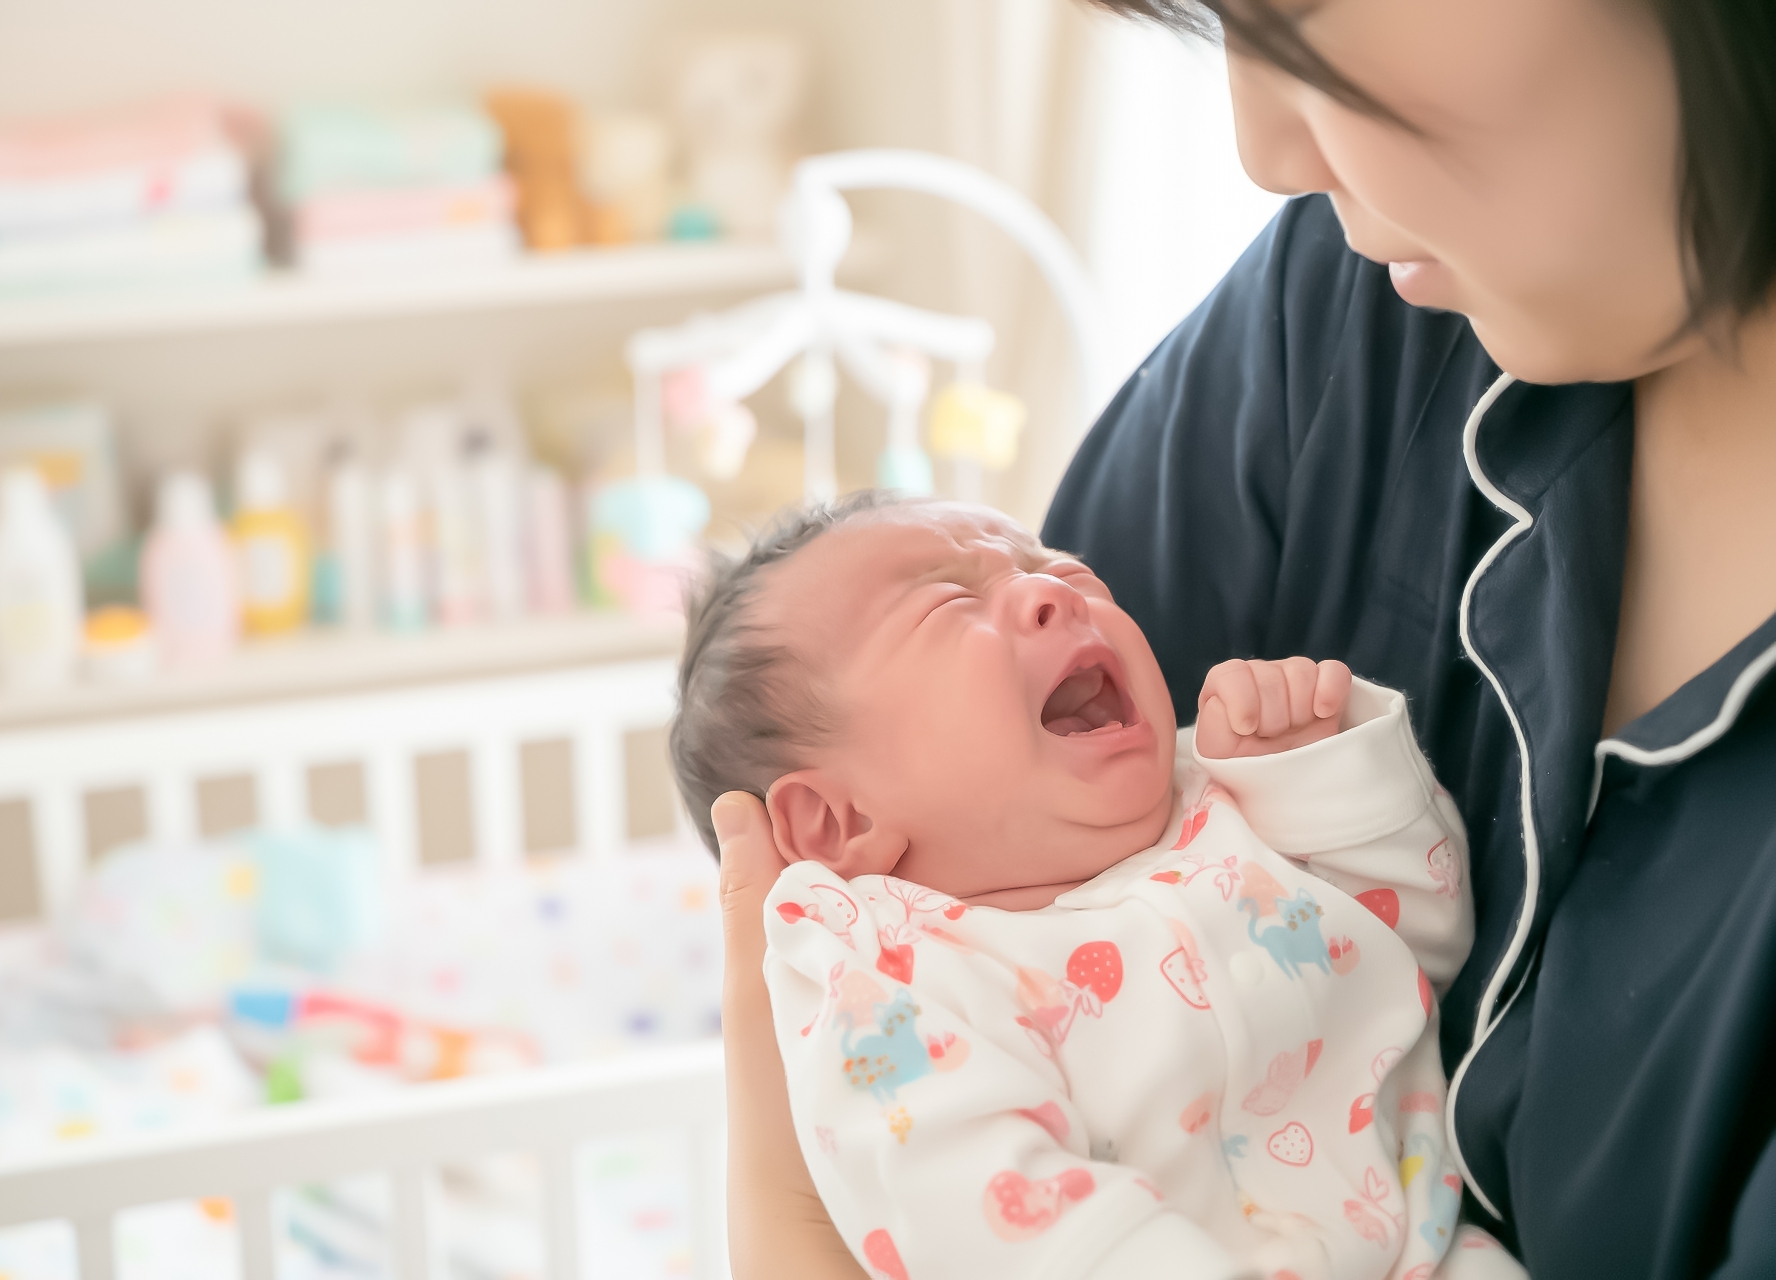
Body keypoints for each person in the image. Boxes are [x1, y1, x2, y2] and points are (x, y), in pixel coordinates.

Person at [710, 0, 1776, 1277]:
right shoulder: (909, 970)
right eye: (953, 603)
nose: (1265, 149)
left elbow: (1398, 934)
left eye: (1298, 8)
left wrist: (1322, 764)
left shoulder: (1208, 810)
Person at [676, 495, 1504, 1279]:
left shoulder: (1225, 798)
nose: (1049, 594)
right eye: (945, 604)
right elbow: (989, 1208)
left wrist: (1316, 775)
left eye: (1064, 568)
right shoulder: (886, 986)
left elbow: (1424, 947)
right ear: (837, 823)